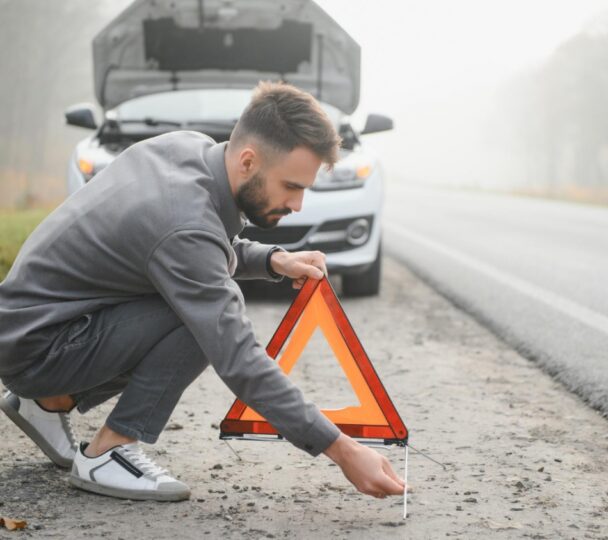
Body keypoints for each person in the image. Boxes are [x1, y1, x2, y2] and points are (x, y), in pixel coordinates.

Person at [0, 81, 405, 502]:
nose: (298, 205)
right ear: (248, 161)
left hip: (30, 328)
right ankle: (108, 452)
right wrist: (342, 449)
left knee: (196, 299)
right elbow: (238, 356)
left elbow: (188, 245)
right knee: (199, 320)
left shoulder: (187, 149)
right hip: (39, 349)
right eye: (291, 186)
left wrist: (272, 260)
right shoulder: (184, 224)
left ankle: (48, 401)